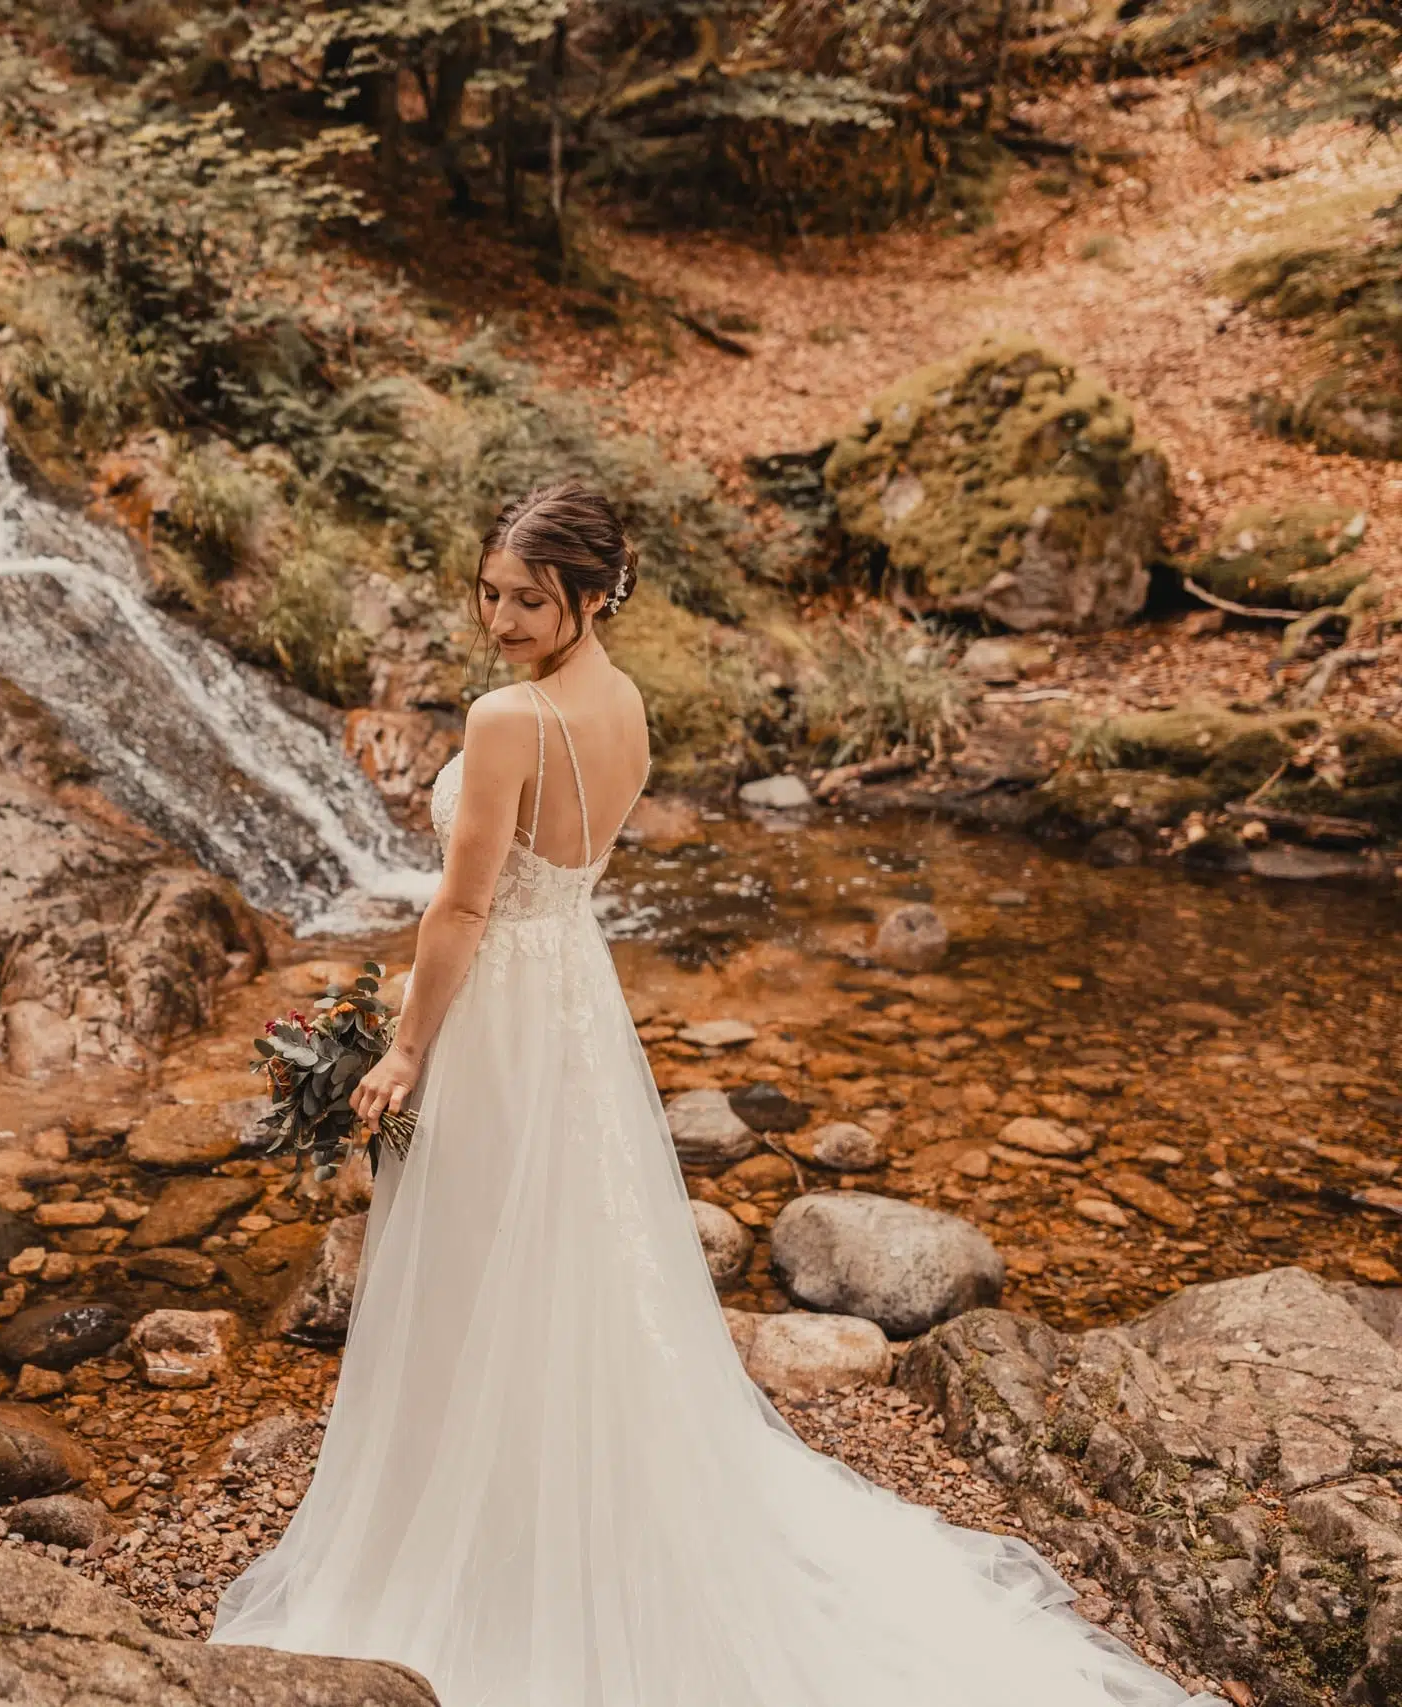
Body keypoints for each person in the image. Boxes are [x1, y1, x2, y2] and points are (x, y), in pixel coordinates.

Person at [206, 483, 1211, 1707]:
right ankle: (548, 1496)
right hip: (571, 992)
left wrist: (405, 1049)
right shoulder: (618, 701)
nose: (503, 617)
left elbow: (462, 908)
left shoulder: (508, 717)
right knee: (564, 1256)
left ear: (592, 594)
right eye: (489, 594)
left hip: (498, 1013)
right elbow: (553, 877)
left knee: (476, 1261)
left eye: (531, 598)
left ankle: (480, 1540)